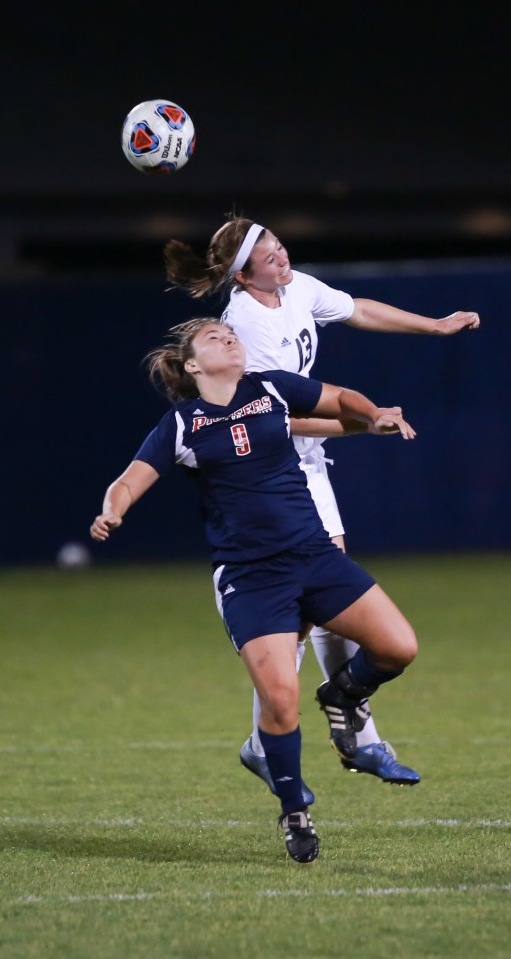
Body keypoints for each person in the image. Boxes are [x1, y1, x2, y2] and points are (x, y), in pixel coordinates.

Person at [163, 217, 480, 792]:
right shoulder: (243, 328)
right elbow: (271, 415)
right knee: (311, 598)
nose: (281, 255)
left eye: (279, 244)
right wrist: (362, 425)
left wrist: (433, 326)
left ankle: (296, 738)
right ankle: (340, 735)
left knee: (323, 593)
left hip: (306, 463)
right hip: (272, 468)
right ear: (243, 273)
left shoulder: (295, 287)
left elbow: (356, 308)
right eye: (268, 253)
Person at [90, 317, 419, 863]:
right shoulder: (183, 422)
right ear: (193, 366)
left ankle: (340, 695)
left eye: (231, 334)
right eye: (214, 338)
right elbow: (130, 478)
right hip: (252, 577)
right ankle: (295, 810)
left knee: (398, 647)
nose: (229, 338)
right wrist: (112, 510)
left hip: (314, 556)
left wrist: (375, 415)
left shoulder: (270, 386)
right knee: (280, 702)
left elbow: (339, 398)